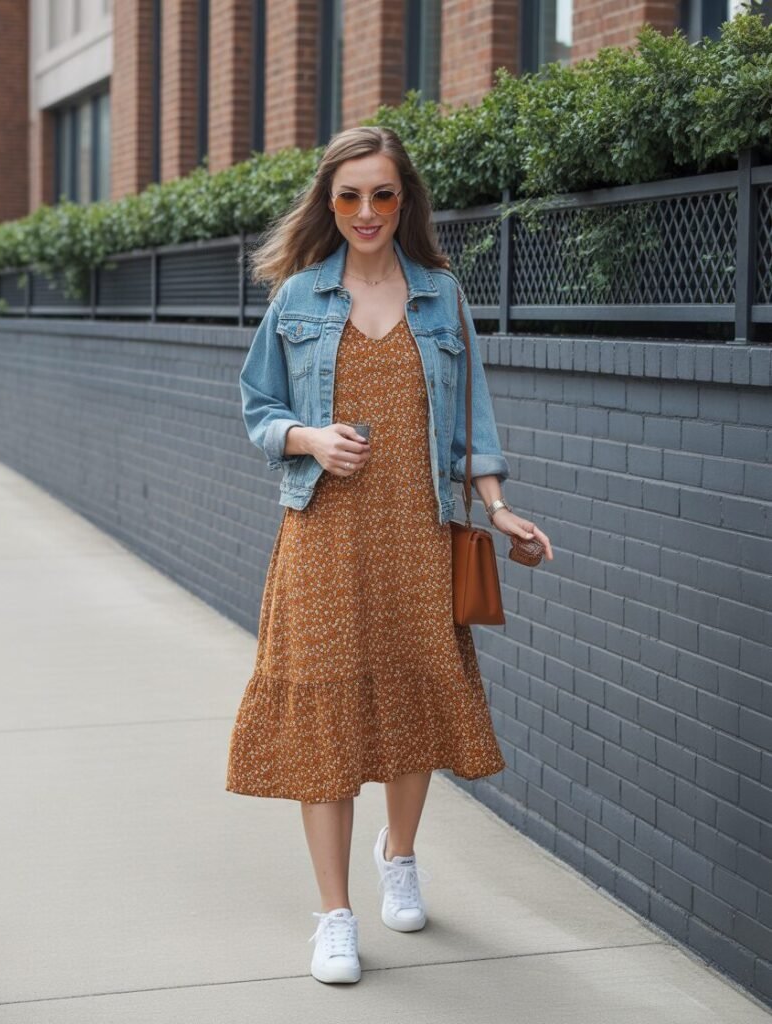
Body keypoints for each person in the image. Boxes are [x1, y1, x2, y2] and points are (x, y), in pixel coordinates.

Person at [225, 125, 553, 985]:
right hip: (324, 535)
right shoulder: (298, 297)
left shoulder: (441, 296)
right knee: (326, 719)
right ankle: (333, 914)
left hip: (418, 532)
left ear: (403, 203)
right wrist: (305, 436)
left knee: (413, 704)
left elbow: (472, 417)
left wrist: (498, 506)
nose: (365, 212)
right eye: (348, 196)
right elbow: (256, 405)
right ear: (327, 203)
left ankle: (397, 854)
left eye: (381, 195)